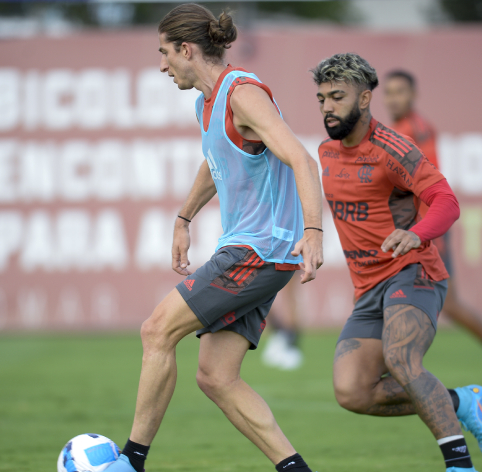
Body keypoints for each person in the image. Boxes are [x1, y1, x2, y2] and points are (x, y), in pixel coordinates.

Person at [106, 5, 323, 472]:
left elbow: (302, 160)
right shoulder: (207, 103)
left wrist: (313, 231)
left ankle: (129, 463)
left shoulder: (242, 93)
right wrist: (184, 216)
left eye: (165, 53)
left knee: (156, 330)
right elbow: (216, 158)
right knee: (216, 377)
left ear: (186, 49)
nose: (161, 65)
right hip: (257, 251)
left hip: (258, 250)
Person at [313, 53, 482, 472]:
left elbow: (446, 202)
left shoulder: (393, 148)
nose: (327, 107)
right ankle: (461, 401)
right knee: (353, 393)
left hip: (413, 273)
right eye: (322, 97)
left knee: (401, 361)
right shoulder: (325, 153)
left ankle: (459, 465)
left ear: (364, 99)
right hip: (367, 290)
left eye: (337, 97)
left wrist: (416, 233)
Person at [383, 69, 482, 407]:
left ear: (412, 95)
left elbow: (426, 185)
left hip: (422, 232)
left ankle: (397, 367)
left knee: (423, 300)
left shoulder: (415, 130)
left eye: (399, 92)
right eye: (389, 92)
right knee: (446, 304)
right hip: (413, 231)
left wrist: (427, 232)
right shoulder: (402, 130)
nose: (393, 98)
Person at [261, 274, 304, 371]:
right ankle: (280, 333)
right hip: (268, 260)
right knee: (260, 295)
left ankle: (290, 345)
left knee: (289, 295)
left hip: (290, 259)